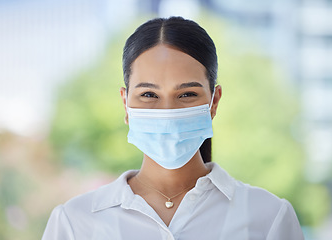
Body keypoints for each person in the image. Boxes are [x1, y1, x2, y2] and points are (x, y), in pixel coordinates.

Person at [42, 16, 304, 240]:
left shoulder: (269, 218)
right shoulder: (74, 224)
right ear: (125, 103)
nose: (167, 113)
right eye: (148, 95)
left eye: (187, 94)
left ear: (214, 102)